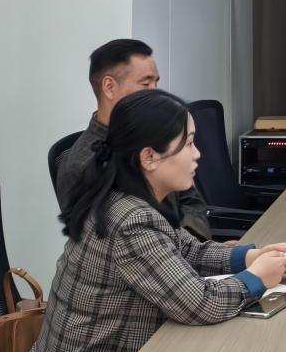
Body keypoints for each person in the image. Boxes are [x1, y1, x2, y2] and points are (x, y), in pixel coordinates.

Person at [20, 89, 286, 352]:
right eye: (189, 144)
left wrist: (249, 257)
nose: (198, 154)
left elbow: (186, 250)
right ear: (149, 157)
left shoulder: (131, 197)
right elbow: (200, 304)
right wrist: (257, 278)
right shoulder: (130, 219)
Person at [56, 39, 211, 239]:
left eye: (156, 83)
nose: (156, 92)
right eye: (145, 84)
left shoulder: (153, 133)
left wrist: (197, 247)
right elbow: (114, 239)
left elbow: (191, 198)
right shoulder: (82, 165)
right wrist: (188, 250)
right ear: (109, 87)